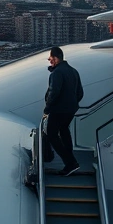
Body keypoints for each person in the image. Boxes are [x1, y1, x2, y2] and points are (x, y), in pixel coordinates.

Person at [43, 46, 84, 176]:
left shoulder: (57, 73)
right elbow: (80, 92)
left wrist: (47, 109)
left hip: (58, 109)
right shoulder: (73, 71)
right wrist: (73, 103)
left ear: (56, 58)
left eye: (50, 59)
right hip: (70, 110)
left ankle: (70, 163)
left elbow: (54, 92)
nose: (50, 61)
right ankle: (70, 161)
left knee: (51, 134)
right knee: (64, 131)